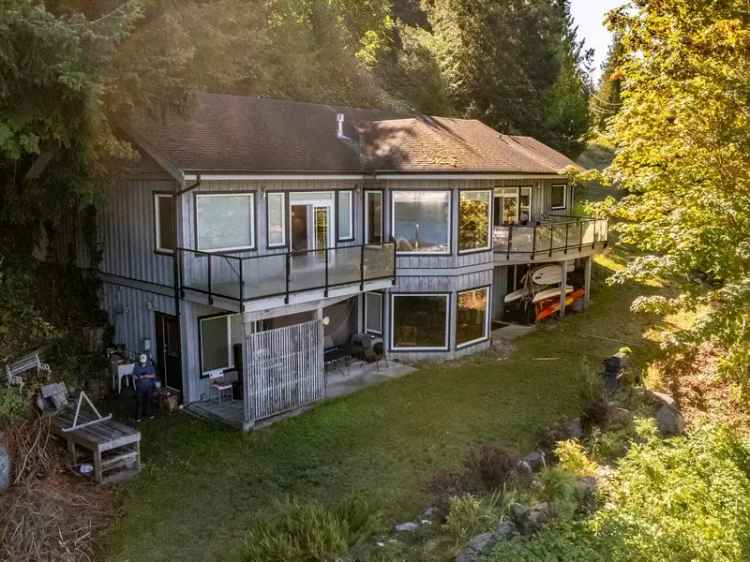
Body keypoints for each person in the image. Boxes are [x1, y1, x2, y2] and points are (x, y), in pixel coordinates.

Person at [133, 353, 157, 421]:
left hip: (149, 386)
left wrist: (147, 376)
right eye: (142, 362)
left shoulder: (150, 366)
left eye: (144, 362)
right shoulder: (136, 366)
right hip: (140, 387)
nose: (143, 363)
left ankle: (149, 414)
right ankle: (138, 417)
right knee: (139, 402)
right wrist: (138, 377)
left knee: (149, 400)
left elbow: (153, 375)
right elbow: (134, 376)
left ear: (146, 361)